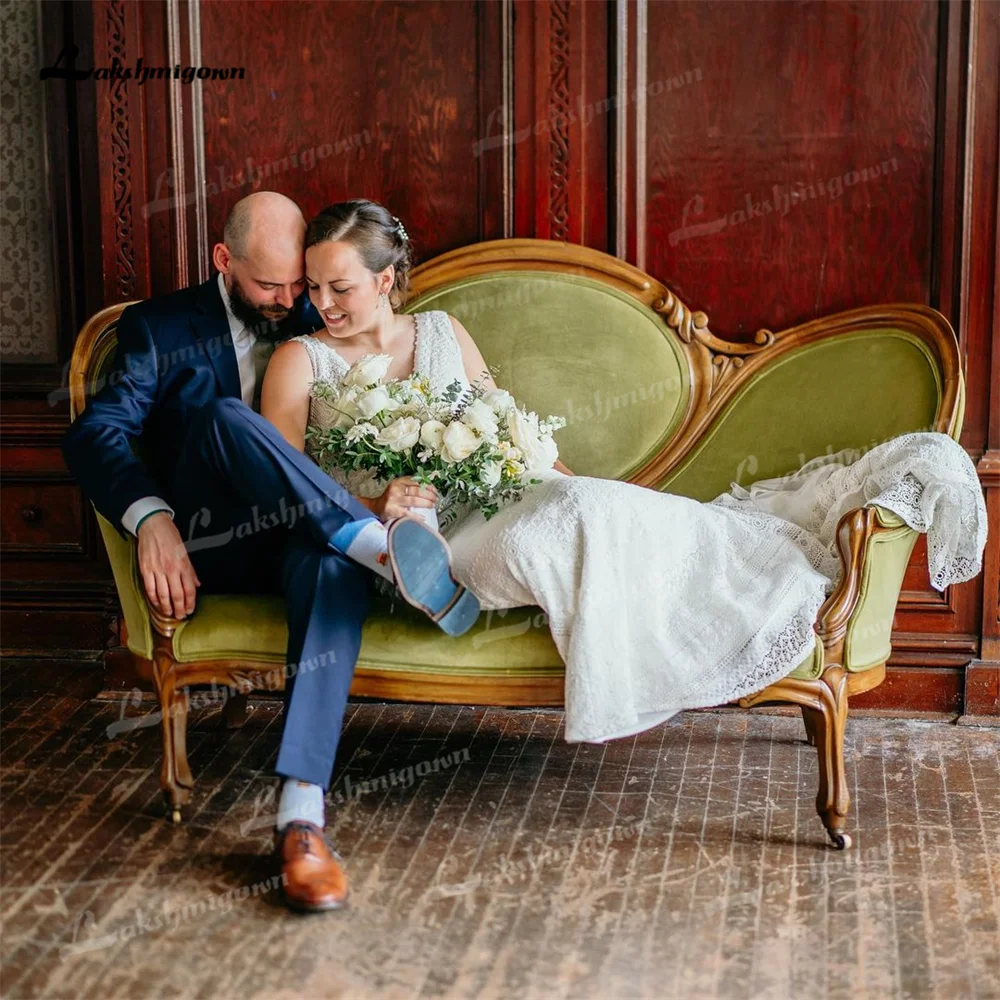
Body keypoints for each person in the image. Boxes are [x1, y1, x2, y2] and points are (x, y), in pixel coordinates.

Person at [264, 198, 987, 754]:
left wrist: (580, 484)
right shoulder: (303, 360)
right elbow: (284, 476)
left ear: (387, 279)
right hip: (398, 520)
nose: (321, 303)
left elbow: (506, 423)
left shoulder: (445, 333)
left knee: (584, 507)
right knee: (527, 539)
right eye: (315, 289)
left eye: (340, 287)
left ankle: (757, 564)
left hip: (498, 490)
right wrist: (369, 496)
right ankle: (422, 572)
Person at [62, 191, 481, 915]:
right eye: (273, 285)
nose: (295, 302)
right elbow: (95, 435)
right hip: (215, 538)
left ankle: (300, 818)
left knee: (328, 562)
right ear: (225, 261)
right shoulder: (158, 329)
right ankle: (376, 547)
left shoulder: (318, 317)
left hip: (311, 535)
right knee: (226, 417)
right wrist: (153, 519)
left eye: (304, 285)